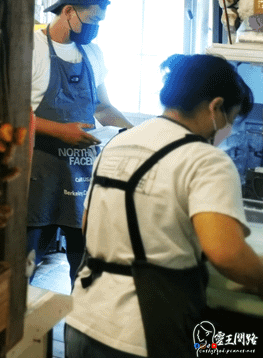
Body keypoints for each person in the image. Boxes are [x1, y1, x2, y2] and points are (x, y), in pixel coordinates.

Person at [67, 54, 263, 358]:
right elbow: (228, 253)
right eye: (230, 118)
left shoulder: (120, 142)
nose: (227, 130)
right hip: (143, 331)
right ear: (215, 107)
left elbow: (88, 224)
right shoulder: (206, 159)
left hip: (83, 317)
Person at [29, 0, 132, 284]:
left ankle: (78, 325)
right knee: (26, 261)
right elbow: (12, 114)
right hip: (39, 171)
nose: (95, 28)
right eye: (92, 20)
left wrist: (136, 133)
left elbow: (103, 108)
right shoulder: (31, 48)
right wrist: (61, 131)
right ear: (69, 11)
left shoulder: (93, 53)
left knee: (85, 266)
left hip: (83, 172)